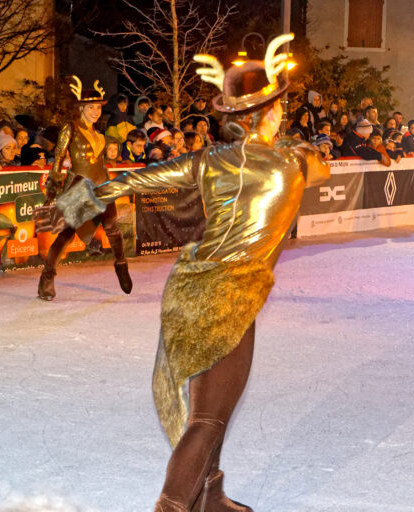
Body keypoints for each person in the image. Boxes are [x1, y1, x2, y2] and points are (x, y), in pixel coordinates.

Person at [54, 34, 330, 511]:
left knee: (211, 410)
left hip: (192, 287)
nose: (282, 113)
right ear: (268, 114)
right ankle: (174, 505)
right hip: (230, 293)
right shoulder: (292, 161)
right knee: (208, 419)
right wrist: (287, 137)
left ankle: (210, 496)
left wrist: (72, 203)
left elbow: (128, 179)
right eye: (278, 107)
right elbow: (320, 167)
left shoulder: (209, 160)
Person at [37, 76, 133, 301]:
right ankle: (47, 277)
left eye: (98, 108)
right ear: (81, 108)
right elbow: (58, 160)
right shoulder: (69, 129)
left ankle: (121, 265)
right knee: (66, 235)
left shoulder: (100, 135)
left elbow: (100, 164)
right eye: (91, 107)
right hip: (79, 187)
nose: (96, 112)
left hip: (102, 185)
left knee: (112, 227)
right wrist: (52, 192)